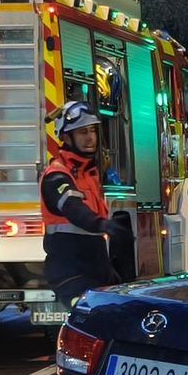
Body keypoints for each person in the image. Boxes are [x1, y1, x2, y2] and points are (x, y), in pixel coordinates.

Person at [40, 101, 130, 306]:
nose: (90, 137)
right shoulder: (57, 175)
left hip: (96, 271)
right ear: (65, 137)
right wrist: (100, 224)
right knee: (83, 325)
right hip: (70, 275)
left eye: (92, 130)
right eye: (81, 132)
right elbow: (73, 208)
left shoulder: (88, 172)